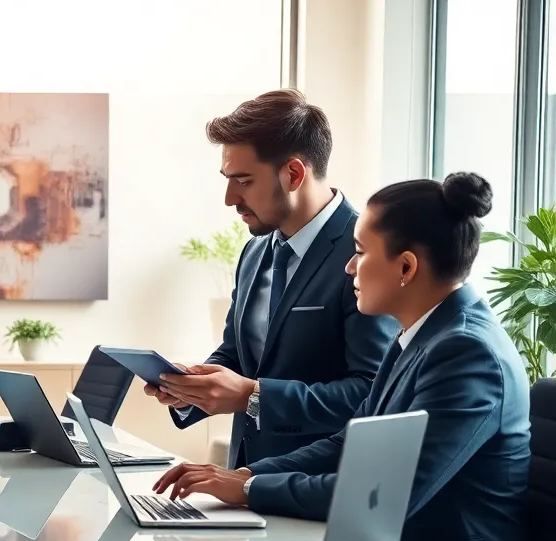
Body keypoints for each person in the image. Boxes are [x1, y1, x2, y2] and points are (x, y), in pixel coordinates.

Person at [154, 172, 533, 541]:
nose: (349, 267)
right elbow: (350, 439)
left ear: (406, 267)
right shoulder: (421, 334)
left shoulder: (467, 353)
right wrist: (246, 475)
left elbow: (382, 496)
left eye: (360, 252)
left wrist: (247, 491)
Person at [146, 90, 397, 467]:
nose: (230, 198)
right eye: (227, 179)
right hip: (245, 481)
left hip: (322, 488)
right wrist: (192, 387)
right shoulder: (255, 252)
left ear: (294, 174)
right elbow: (236, 355)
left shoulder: (366, 254)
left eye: (243, 181)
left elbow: (372, 392)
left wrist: (253, 396)